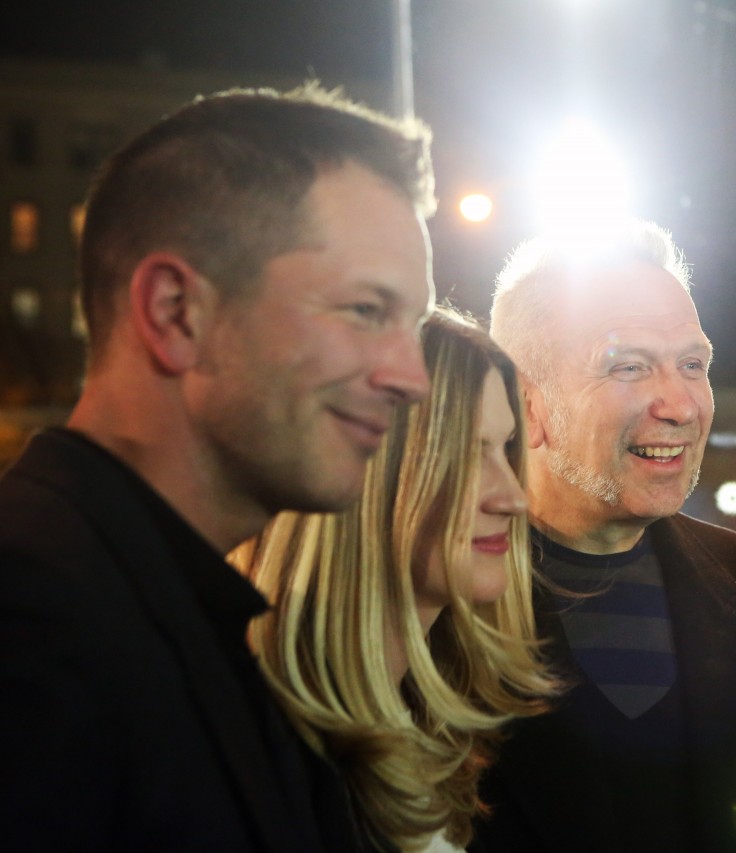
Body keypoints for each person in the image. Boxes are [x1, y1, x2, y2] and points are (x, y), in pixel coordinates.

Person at [0, 85, 435, 850]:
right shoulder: (33, 621)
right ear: (176, 311)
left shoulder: (173, 614)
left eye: (414, 326)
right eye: (366, 310)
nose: (413, 378)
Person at [472, 220, 736, 852]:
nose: (680, 405)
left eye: (692, 365)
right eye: (630, 366)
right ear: (525, 403)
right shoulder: (438, 607)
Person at [237, 308, 556, 852]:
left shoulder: (424, 726)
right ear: (364, 476)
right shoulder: (261, 751)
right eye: (466, 454)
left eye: (505, 450)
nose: (512, 498)